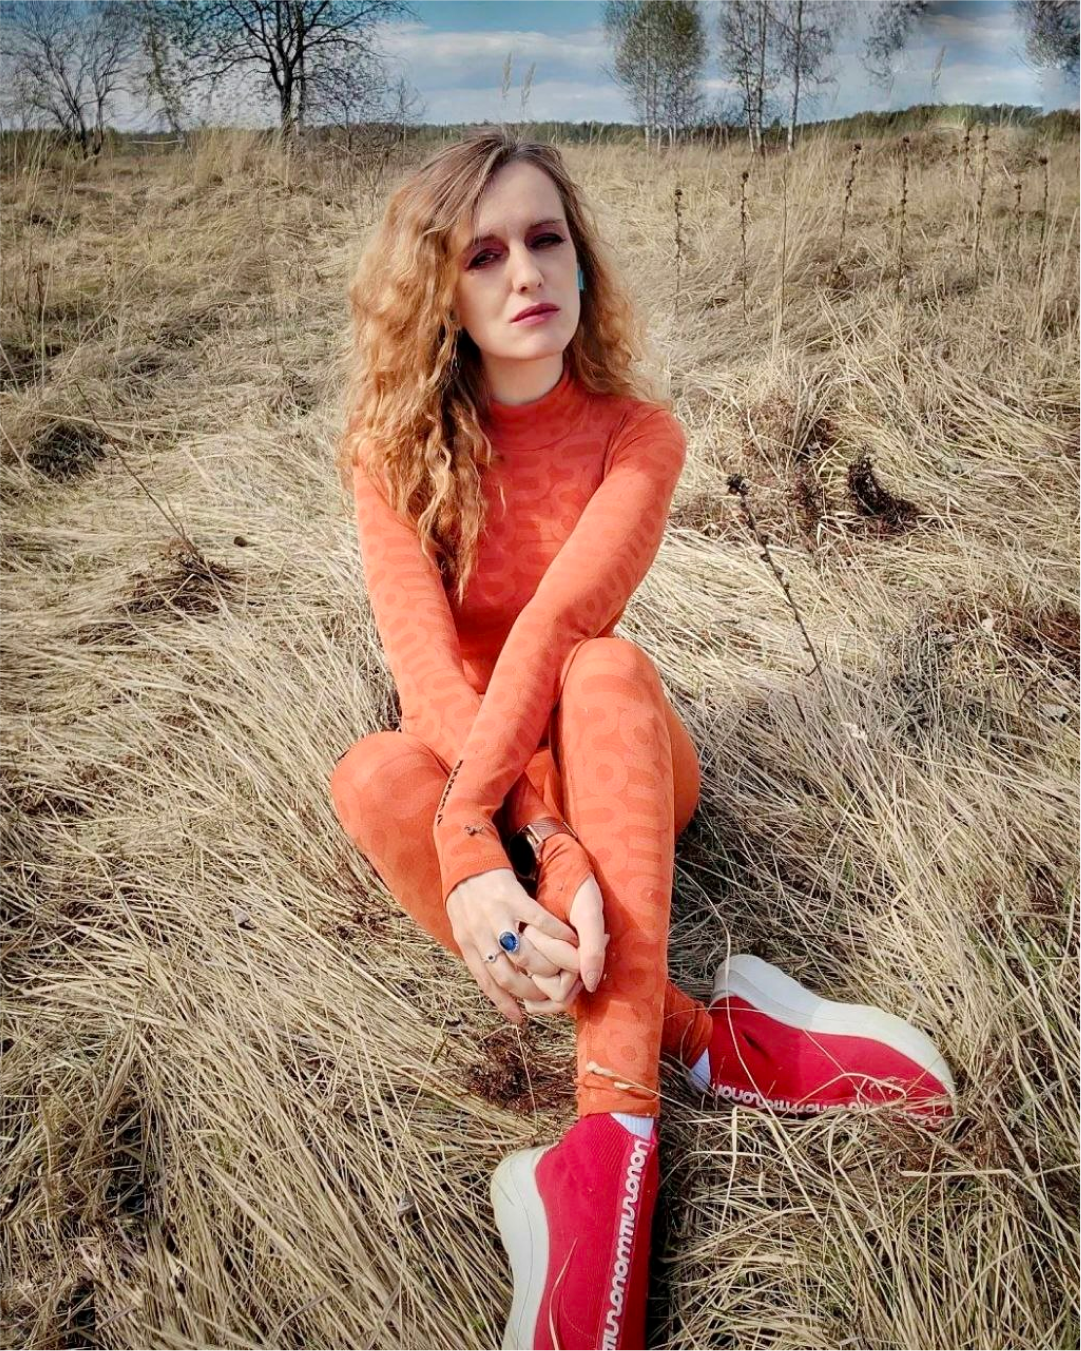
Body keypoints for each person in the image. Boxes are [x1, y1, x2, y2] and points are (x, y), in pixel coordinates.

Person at [328, 128, 955, 1351]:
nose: (526, 274)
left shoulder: (638, 435)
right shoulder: (388, 456)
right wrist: (525, 845)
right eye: (485, 253)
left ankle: (607, 1141)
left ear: (581, 259)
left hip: (622, 759)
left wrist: (497, 836)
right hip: (498, 787)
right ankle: (700, 1035)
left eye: (547, 239)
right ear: (439, 291)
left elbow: (562, 627)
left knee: (604, 664)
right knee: (366, 771)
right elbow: (425, 675)